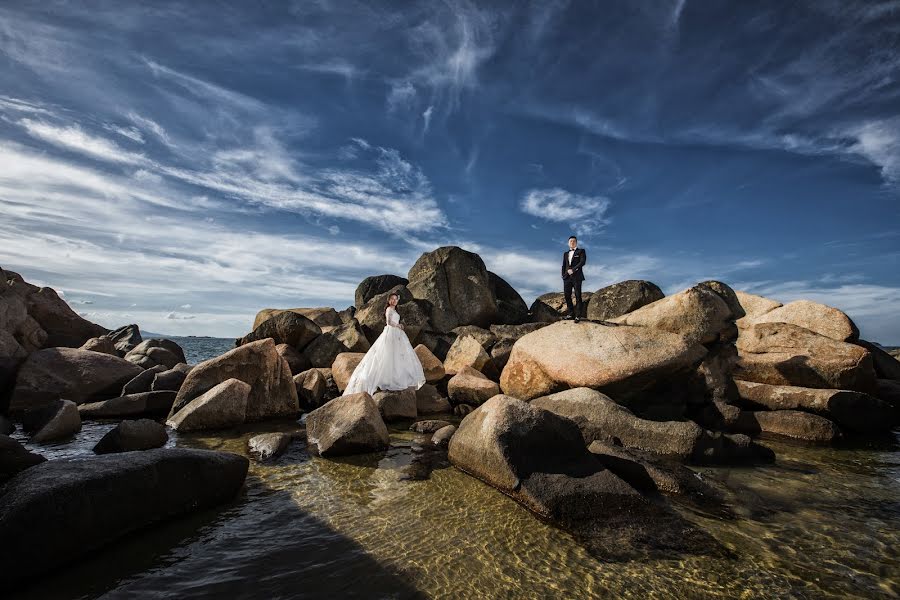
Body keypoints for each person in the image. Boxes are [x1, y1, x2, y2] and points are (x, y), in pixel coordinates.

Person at [342, 292, 427, 396]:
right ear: (388, 300)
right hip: (391, 332)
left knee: (397, 355)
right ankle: (385, 379)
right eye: (392, 299)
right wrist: (398, 325)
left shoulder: (395, 310)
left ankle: (395, 377)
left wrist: (399, 326)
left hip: (397, 333)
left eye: (396, 299)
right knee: (387, 354)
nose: (394, 301)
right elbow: (388, 322)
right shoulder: (389, 309)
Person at [561, 235, 586, 322]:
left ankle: (578, 316)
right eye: (570, 241)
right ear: (568, 243)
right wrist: (563, 275)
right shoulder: (565, 254)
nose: (572, 242)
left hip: (577, 277)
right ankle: (571, 314)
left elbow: (582, 262)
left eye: (574, 241)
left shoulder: (581, 251)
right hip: (567, 278)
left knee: (578, 295)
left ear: (576, 242)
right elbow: (564, 265)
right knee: (567, 296)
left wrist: (573, 270)